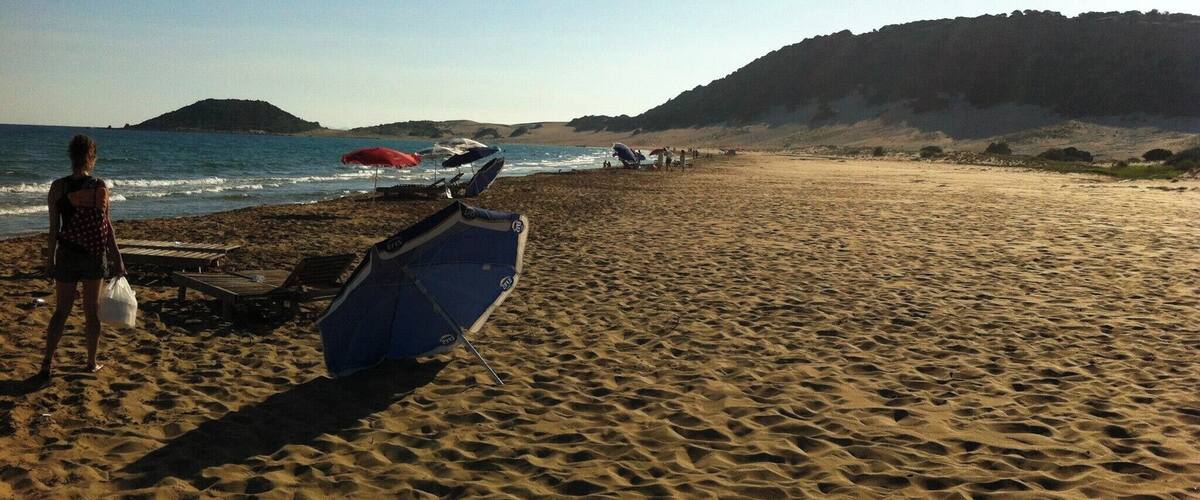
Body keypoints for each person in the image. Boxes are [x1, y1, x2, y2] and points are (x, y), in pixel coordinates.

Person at [38, 134, 126, 381]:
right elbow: (106, 226)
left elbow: (54, 228)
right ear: (91, 157)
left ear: (70, 156)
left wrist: (50, 261)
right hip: (93, 256)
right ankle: (91, 362)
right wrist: (117, 257)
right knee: (91, 311)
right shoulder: (100, 186)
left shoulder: (58, 187)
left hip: (66, 254)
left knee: (60, 312)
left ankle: (46, 362)